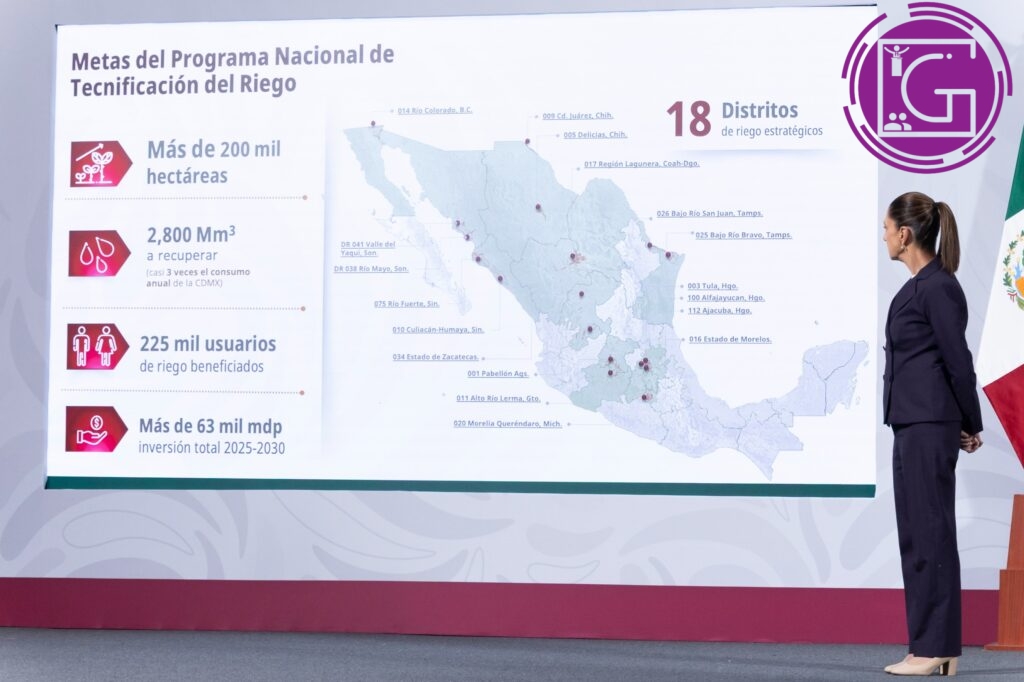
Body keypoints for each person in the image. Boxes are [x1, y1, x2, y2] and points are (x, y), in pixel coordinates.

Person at [881, 192, 983, 676]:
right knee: (916, 537)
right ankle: (929, 645)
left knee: (931, 534)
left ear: (905, 234)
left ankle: (936, 646)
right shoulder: (919, 287)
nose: (883, 237)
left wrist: (971, 421)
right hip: (912, 423)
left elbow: (958, 361)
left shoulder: (939, 287)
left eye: (886, 229)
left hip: (928, 425)